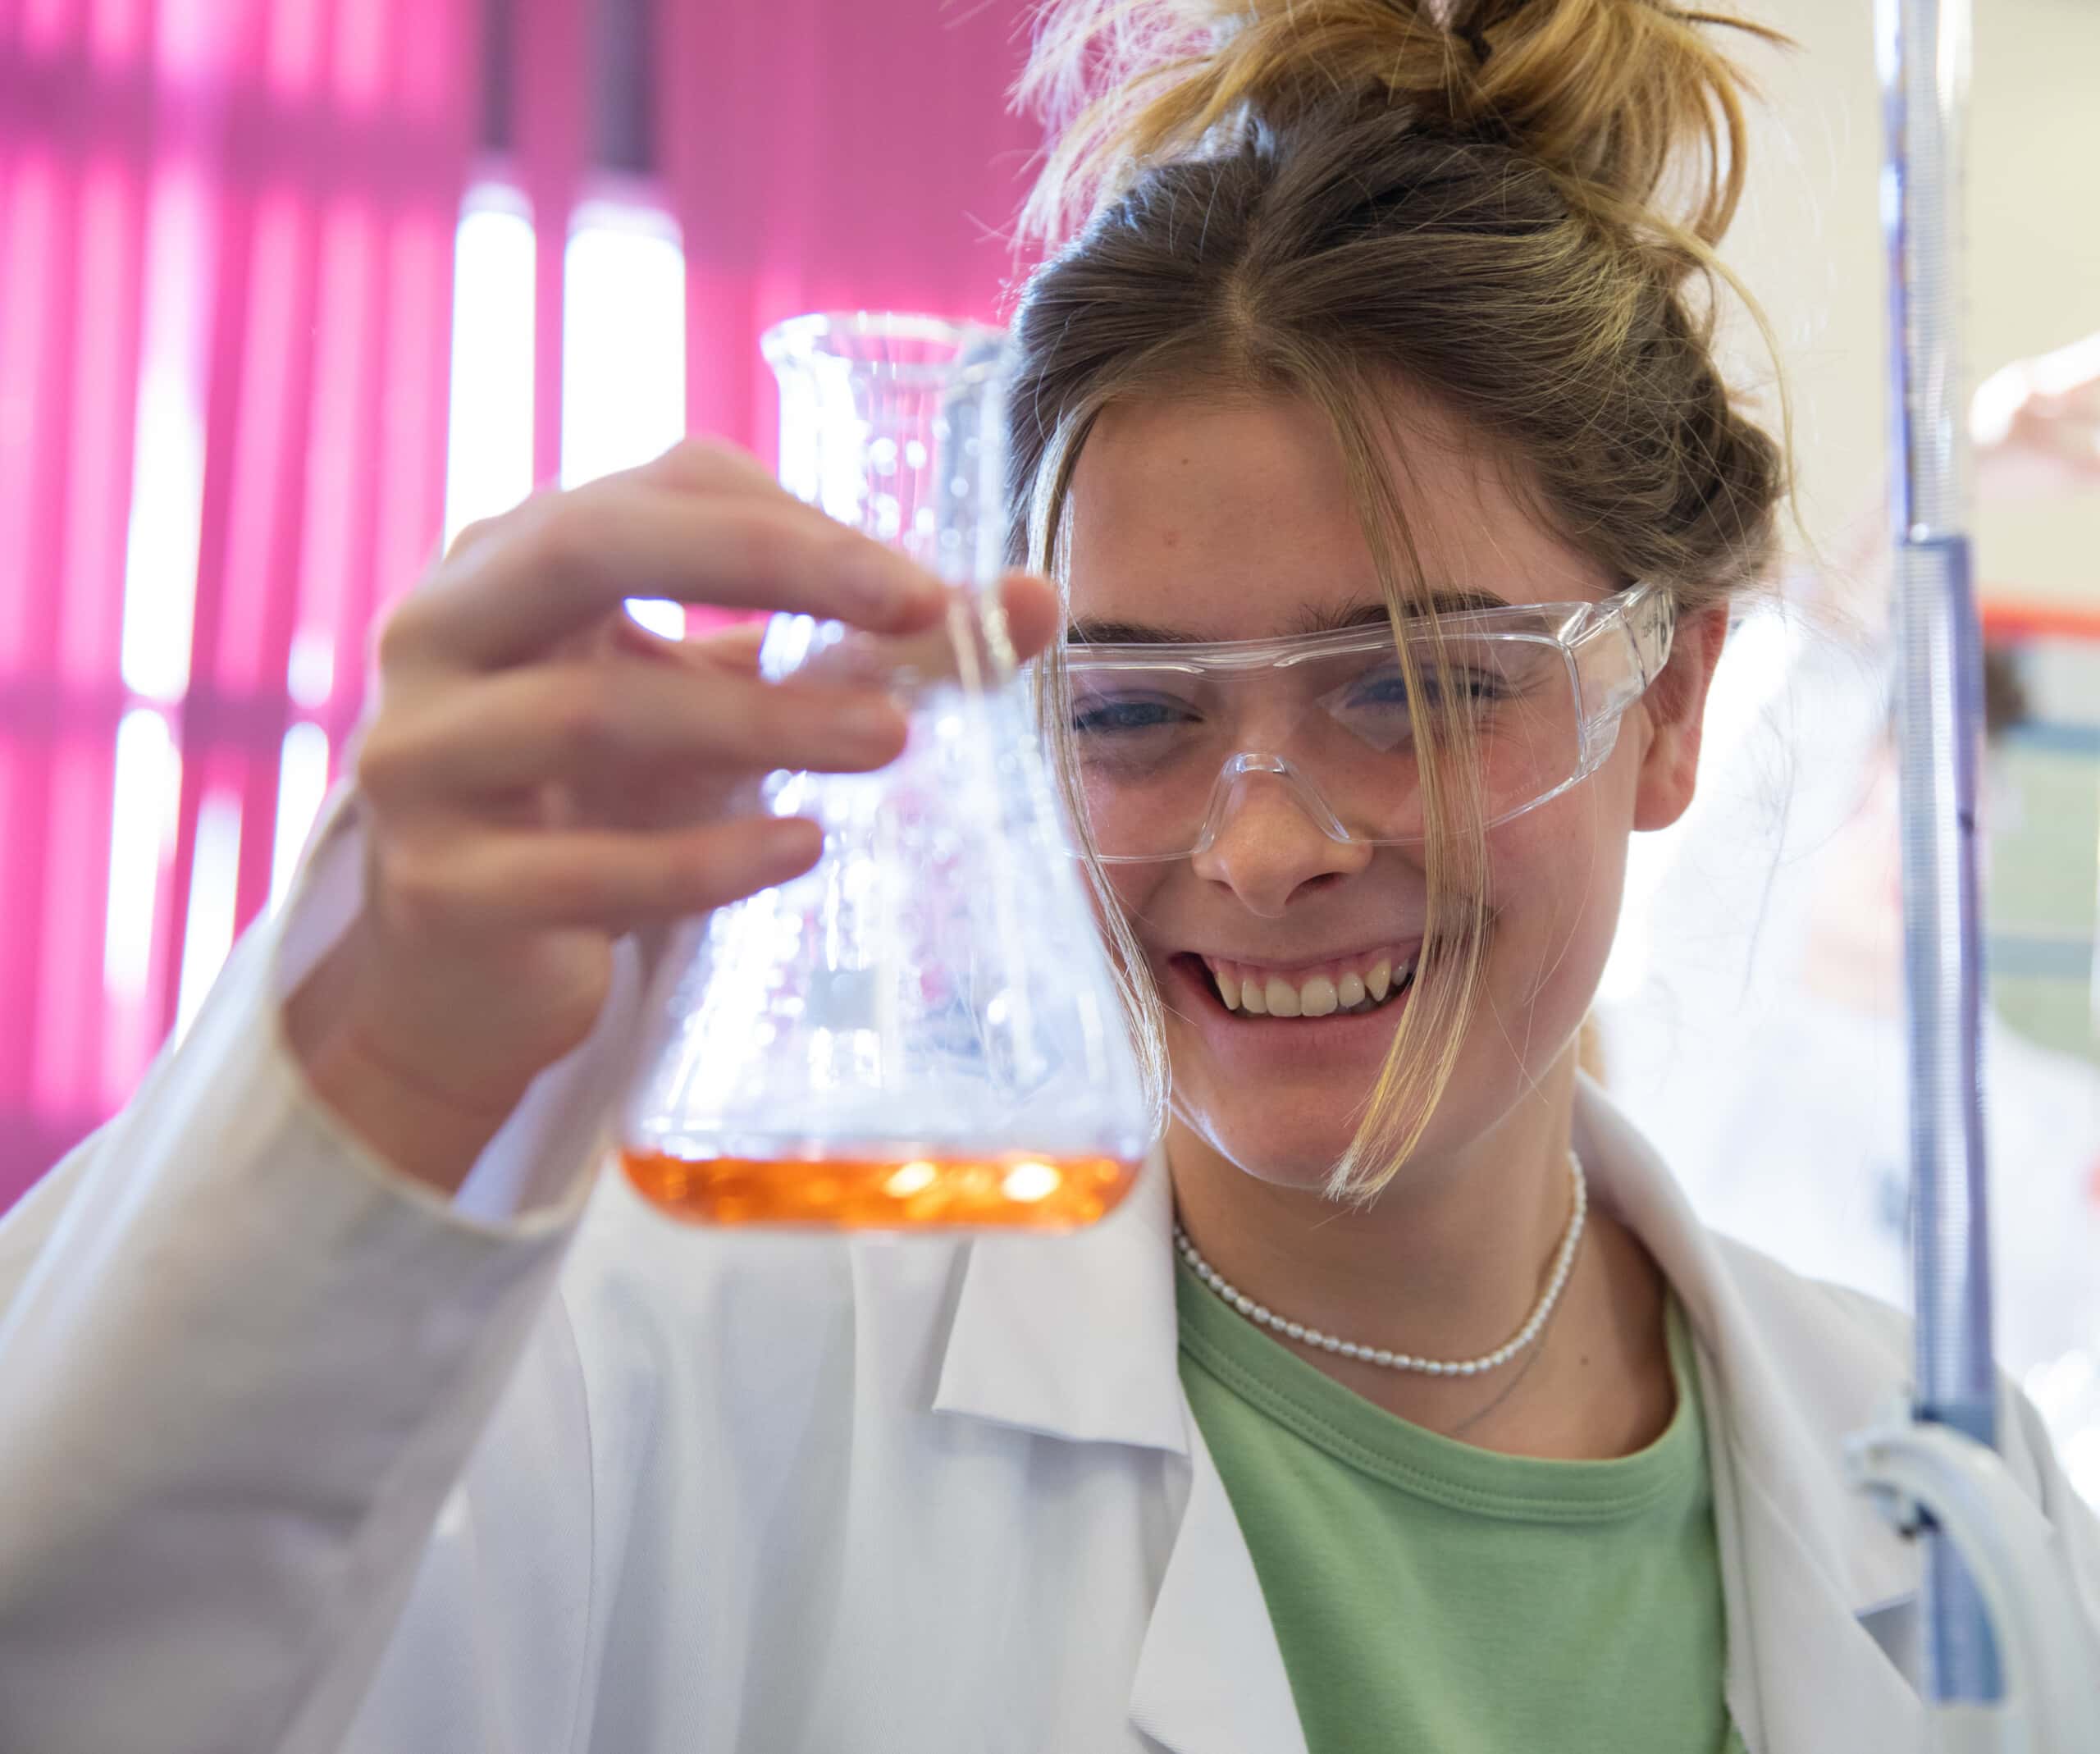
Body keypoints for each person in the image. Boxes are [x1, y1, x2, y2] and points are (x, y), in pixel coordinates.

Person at [1, 4, 2095, 1752]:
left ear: (1665, 706)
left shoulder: (1935, 1485)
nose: (1263, 844)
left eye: (1415, 688)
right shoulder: (691, 1343)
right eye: (1127, 712)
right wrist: (373, 1042)